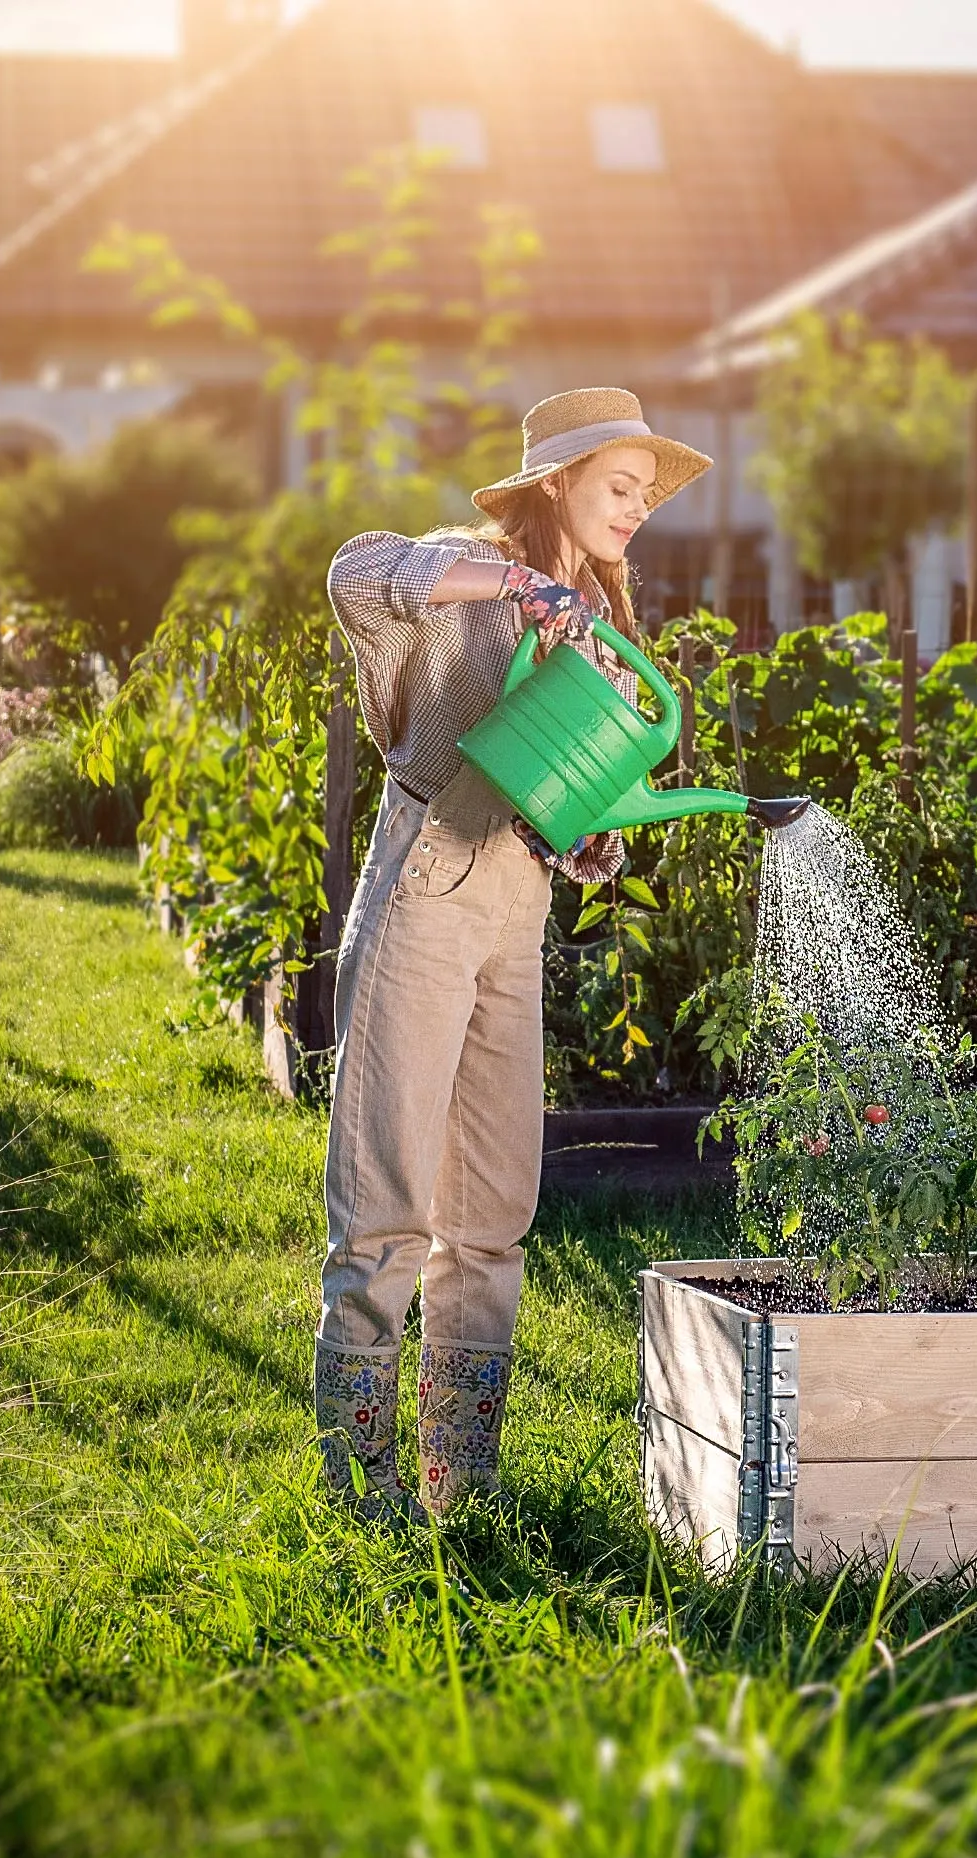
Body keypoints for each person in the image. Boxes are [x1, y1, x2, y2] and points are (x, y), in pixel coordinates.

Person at [317, 387, 710, 1519]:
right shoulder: (461, 575)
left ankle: (457, 1483)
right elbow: (353, 572)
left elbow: (576, 815)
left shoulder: (598, 619)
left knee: (492, 1211)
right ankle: (357, 1492)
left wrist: (588, 836)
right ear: (556, 482)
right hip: (426, 885)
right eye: (618, 488)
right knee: (386, 1196)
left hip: (515, 908)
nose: (635, 510)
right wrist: (520, 583)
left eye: (644, 494)